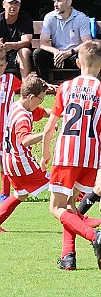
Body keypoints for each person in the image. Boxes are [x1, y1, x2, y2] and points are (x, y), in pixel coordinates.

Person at [41, 39, 101, 271]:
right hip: (90, 156)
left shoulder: (66, 87)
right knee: (69, 206)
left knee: (56, 208)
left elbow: (51, 126)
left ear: (78, 61)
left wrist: (45, 152)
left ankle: (94, 236)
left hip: (66, 154)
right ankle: (68, 256)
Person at [0, 74, 50, 232]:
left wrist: (61, 113)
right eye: (40, 99)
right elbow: (25, 140)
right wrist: (46, 133)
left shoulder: (17, 106)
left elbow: (43, 112)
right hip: (21, 163)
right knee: (61, 185)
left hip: (9, 163)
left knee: (20, 194)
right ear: (31, 97)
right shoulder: (22, 117)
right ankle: (81, 220)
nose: (41, 102)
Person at [32, 0, 92, 82]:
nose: (55, 4)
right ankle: (44, 85)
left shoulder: (81, 18)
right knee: (38, 54)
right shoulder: (49, 17)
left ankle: (82, 84)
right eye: (54, 1)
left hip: (73, 55)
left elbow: (87, 43)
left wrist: (68, 53)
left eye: (59, 1)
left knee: (84, 56)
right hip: (56, 56)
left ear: (69, 2)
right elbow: (43, 43)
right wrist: (55, 52)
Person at [0, 47, 22, 203]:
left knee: (5, 162)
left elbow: (27, 89)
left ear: (6, 63)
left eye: (1, 63)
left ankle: (5, 193)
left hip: (4, 129)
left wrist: (44, 86)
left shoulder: (10, 80)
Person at [0, 0, 34, 80]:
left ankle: (25, 85)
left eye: (16, 3)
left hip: (19, 54)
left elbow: (26, 41)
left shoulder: (25, 18)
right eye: (10, 3)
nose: (13, 6)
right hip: (2, 53)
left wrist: (11, 45)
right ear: (4, 4)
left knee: (24, 51)